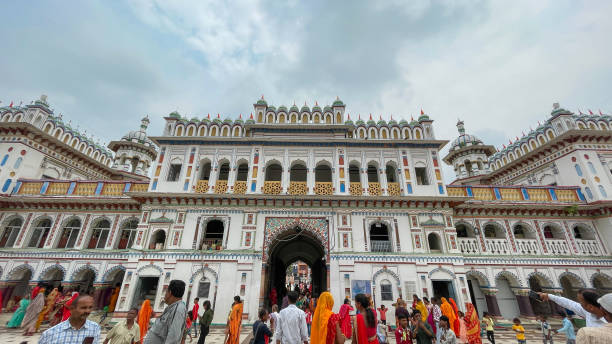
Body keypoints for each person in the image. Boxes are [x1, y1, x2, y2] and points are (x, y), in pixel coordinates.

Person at [144, 280, 188, 344]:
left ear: (170, 292)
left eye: (166, 292)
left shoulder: (178, 310)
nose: (165, 295)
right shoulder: (172, 308)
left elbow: (173, 338)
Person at [539, 290, 607, 327]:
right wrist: (549, 296)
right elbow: (570, 304)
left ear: (590, 307)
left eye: (581, 302)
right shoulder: (589, 313)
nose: (580, 304)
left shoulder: (607, 321)